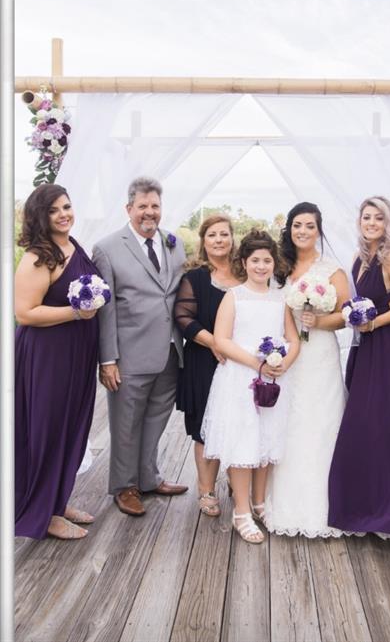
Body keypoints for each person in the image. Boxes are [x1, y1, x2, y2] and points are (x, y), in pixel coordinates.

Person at [328, 196, 390, 537]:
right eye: (367, 217)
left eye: (378, 218)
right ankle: (367, 503)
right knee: (365, 424)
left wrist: (374, 322)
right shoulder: (359, 257)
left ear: (388, 223)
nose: (371, 223)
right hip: (366, 348)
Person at [92, 176, 188, 516]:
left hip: (170, 350)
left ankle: (148, 477)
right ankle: (124, 486)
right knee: (126, 423)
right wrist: (108, 359)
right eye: (142, 206)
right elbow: (105, 309)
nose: (150, 212)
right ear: (129, 208)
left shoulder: (175, 243)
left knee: (157, 418)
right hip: (129, 354)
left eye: (155, 206)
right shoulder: (107, 248)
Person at [201, 230, 300, 543]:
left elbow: (293, 339)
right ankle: (241, 511)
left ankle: (259, 503)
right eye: (255, 260)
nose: (261, 266)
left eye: (266, 261)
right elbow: (221, 340)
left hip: (273, 378)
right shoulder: (234, 296)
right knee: (243, 442)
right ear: (244, 262)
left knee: (266, 441)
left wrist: (284, 363)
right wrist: (256, 364)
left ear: (274, 263)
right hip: (240, 379)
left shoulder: (281, 298)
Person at [15, 184, 99, 540]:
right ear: (40, 216)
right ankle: (43, 513)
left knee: (71, 426)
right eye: (53, 210)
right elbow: (25, 313)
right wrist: (76, 313)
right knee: (48, 430)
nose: (63, 214)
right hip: (49, 356)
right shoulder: (38, 256)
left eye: (66, 206)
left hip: (78, 354)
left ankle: (58, 500)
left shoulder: (73, 245)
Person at [264, 202, 350, 538]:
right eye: (297, 225)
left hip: (320, 354)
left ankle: (327, 504)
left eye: (309, 226)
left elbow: (345, 314)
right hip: (286, 354)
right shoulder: (278, 266)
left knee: (321, 420)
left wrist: (319, 321)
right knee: (288, 420)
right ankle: (279, 499)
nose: (302, 231)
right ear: (289, 229)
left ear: (318, 230)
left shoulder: (332, 271)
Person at [174, 214, 240, 517]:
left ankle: (237, 481)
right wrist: (215, 343)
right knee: (205, 427)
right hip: (204, 359)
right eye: (212, 235)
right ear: (204, 241)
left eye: (224, 234)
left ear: (232, 238)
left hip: (239, 362)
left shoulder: (245, 272)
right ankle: (207, 490)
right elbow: (183, 318)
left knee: (238, 423)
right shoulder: (195, 277)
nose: (219, 240)